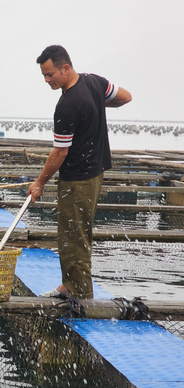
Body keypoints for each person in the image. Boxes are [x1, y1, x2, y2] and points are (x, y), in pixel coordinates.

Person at [27, 45, 132, 299]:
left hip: (77, 178)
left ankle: (80, 293)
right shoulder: (94, 83)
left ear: (65, 67)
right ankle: (70, 283)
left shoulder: (66, 106)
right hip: (96, 172)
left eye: (50, 74)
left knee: (74, 235)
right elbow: (125, 97)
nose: (47, 80)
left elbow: (59, 153)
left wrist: (39, 183)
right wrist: (96, 106)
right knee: (78, 230)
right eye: (44, 76)